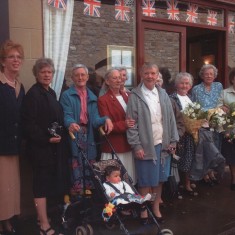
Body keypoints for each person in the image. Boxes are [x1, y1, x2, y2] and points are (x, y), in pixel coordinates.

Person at [126, 62, 179, 223]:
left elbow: (170, 119)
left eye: (153, 73)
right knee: (145, 181)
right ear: (142, 75)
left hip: (162, 145)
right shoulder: (135, 96)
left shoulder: (163, 94)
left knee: (159, 180)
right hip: (146, 145)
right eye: (147, 73)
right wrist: (136, 145)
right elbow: (131, 123)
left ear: (157, 76)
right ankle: (144, 210)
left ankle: (155, 208)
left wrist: (172, 140)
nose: (150, 76)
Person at [22, 58, 69, 235]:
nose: (47, 75)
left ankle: (43, 218)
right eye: (43, 72)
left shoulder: (51, 93)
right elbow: (29, 125)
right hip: (39, 149)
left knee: (47, 184)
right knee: (40, 186)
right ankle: (43, 225)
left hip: (52, 150)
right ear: (36, 74)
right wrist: (46, 139)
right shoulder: (33, 95)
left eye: (49, 72)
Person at [60, 64, 113, 195]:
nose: (80, 77)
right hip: (74, 134)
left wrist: (106, 119)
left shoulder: (92, 97)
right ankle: (77, 200)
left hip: (88, 135)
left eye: (83, 75)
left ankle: (88, 201)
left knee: (89, 165)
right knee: (75, 166)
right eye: (77, 75)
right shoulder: (67, 95)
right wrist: (70, 123)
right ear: (72, 78)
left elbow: (95, 120)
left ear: (87, 77)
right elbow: (66, 115)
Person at [0, 40, 25, 234]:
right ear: (3, 62)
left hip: (14, 145)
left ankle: (7, 219)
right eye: (11, 57)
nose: (16, 60)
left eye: (18, 57)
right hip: (1, 145)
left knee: (10, 187)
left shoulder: (19, 86)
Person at [98, 68, 136, 184]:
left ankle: (130, 200)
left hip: (128, 143)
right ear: (107, 81)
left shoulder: (128, 96)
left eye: (119, 77)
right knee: (113, 180)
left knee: (129, 178)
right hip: (114, 145)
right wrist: (124, 124)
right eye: (114, 78)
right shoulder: (103, 100)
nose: (118, 80)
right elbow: (105, 126)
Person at [191, 64, 223, 185]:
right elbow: (193, 106)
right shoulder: (196, 89)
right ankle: (205, 173)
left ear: (214, 75)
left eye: (211, 74)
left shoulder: (219, 86)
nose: (209, 76)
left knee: (215, 148)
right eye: (206, 74)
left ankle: (212, 172)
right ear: (202, 75)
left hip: (216, 123)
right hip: (203, 124)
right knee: (205, 148)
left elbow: (221, 102)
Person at [170, 72, 198, 196]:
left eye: (187, 83)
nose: (184, 85)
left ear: (190, 85)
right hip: (179, 135)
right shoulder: (172, 98)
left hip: (191, 134)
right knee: (180, 160)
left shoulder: (190, 97)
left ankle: (186, 182)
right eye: (182, 83)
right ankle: (180, 184)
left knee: (189, 159)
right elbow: (172, 118)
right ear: (176, 84)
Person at [217, 68, 235, 190]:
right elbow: (218, 109)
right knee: (231, 155)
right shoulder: (224, 93)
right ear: (233, 79)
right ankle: (234, 178)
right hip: (230, 129)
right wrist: (222, 109)